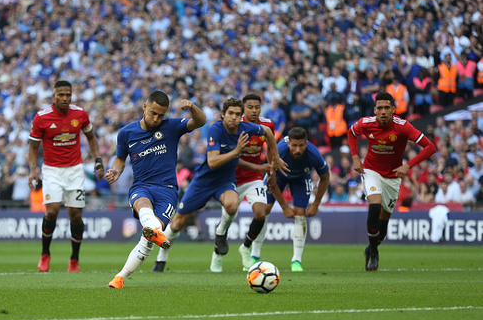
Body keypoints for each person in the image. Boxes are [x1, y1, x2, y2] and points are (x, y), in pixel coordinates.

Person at [152, 93, 283, 272]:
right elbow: (212, 162)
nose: (234, 117)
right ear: (223, 114)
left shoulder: (246, 127)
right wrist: (237, 150)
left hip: (225, 180)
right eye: (231, 113)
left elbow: (268, 132)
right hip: (204, 180)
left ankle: (220, 234)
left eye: (237, 114)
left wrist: (274, 160)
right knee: (177, 223)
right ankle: (161, 257)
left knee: (232, 205)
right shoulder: (216, 129)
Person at [105, 90, 206, 288]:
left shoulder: (172, 127)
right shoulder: (126, 133)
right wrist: (116, 171)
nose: (156, 119)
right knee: (143, 206)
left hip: (167, 191)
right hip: (141, 186)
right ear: (144, 107)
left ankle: (120, 277)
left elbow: (200, 122)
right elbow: (119, 159)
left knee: (148, 237)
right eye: (153, 113)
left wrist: (192, 107)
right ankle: (154, 230)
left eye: (161, 115)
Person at [347, 92, 436, 271]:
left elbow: (430, 147)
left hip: (393, 176)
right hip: (371, 170)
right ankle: (373, 253)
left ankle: (372, 247)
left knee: (384, 220)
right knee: (374, 206)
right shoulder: (366, 123)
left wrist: (408, 165)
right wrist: (356, 157)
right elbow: (351, 132)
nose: (383, 111)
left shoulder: (403, 127)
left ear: (393, 110)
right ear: (375, 110)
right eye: (379, 108)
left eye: (387, 108)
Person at [29, 80, 105, 273]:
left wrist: (98, 159)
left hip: (74, 171)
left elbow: (91, 138)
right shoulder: (41, 118)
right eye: (61, 95)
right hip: (52, 170)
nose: (65, 98)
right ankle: (45, 254)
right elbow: (33, 147)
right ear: (54, 96)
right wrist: (33, 171)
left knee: (75, 216)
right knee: (52, 212)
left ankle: (74, 259)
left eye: (68, 95)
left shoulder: (80, 114)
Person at [252, 127, 330, 272]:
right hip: (278, 177)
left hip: (301, 178)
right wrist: (284, 207)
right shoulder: (279, 152)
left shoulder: (314, 154)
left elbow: (325, 177)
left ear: (306, 144)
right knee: (264, 209)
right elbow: (272, 182)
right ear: (289, 144)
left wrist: (316, 203)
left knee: (300, 213)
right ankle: (254, 255)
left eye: (301, 145)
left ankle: (296, 261)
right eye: (294, 145)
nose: (297, 149)